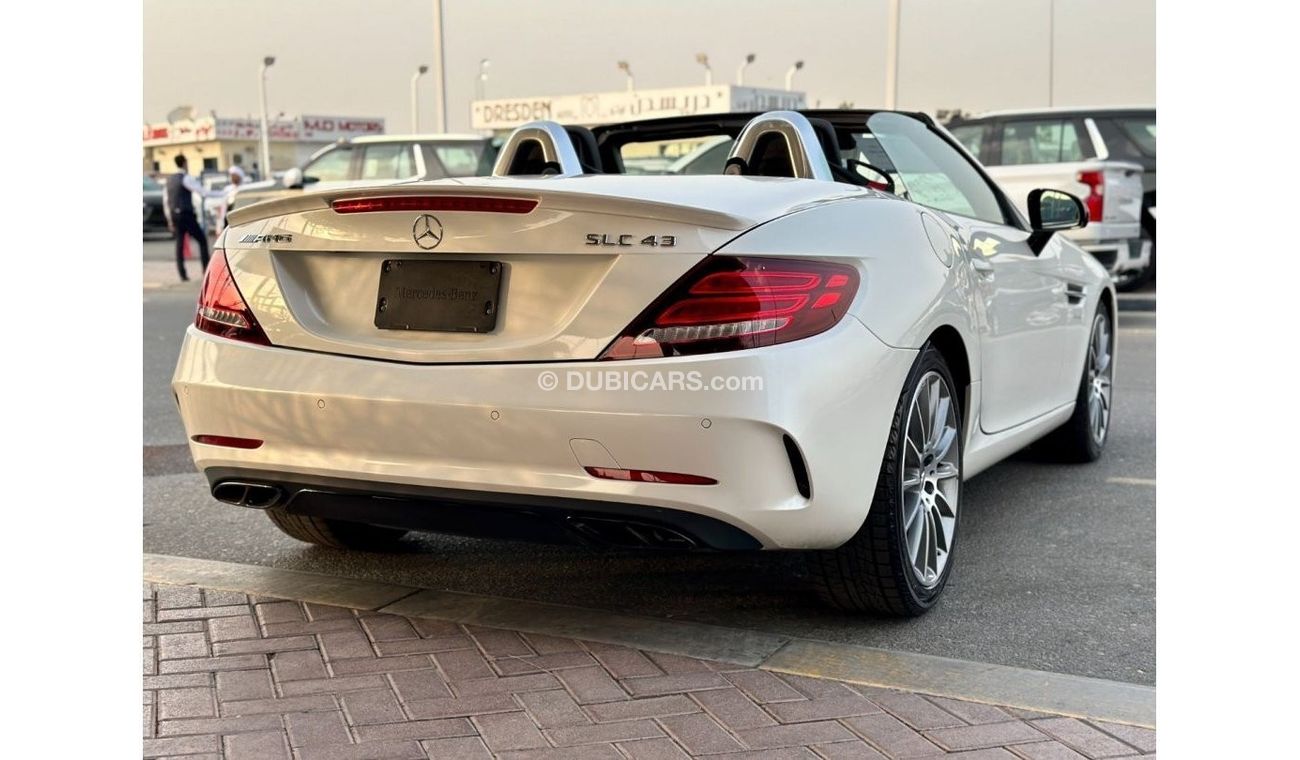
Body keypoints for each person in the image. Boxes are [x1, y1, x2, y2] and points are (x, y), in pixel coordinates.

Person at [164, 155, 222, 282]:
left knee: (179, 244)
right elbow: (203, 192)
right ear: (184, 163)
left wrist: (169, 219)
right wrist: (223, 193)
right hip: (186, 214)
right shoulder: (186, 178)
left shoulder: (169, 180)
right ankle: (206, 270)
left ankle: (182, 274)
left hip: (175, 215)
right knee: (201, 240)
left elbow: (166, 201)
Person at [216, 165, 246, 234]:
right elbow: (223, 207)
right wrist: (219, 225)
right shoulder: (228, 189)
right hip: (229, 218)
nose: (232, 178)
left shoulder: (244, 188)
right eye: (231, 176)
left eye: (234, 176)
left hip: (241, 218)